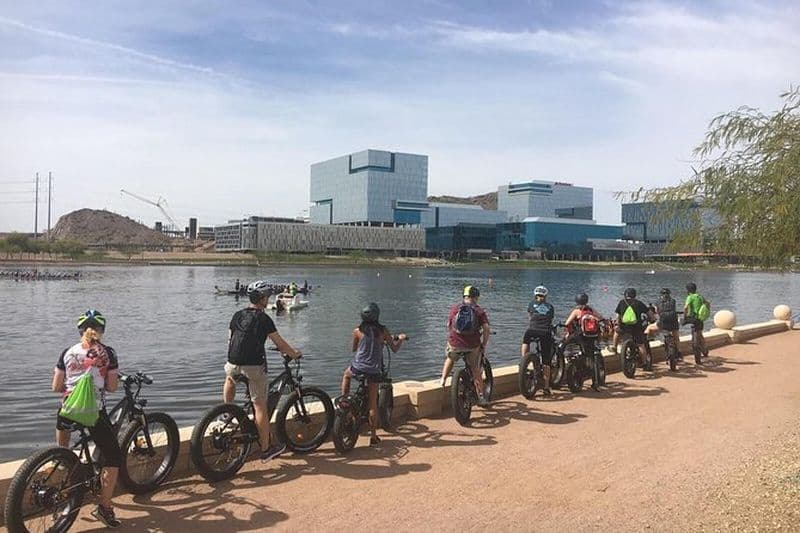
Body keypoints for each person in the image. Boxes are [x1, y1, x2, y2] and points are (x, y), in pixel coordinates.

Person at [52, 310, 123, 528]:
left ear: (80, 330)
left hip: (67, 410)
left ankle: (61, 458)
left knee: (63, 423)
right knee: (113, 457)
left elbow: (56, 387)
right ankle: (104, 507)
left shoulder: (67, 352)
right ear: (101, 331)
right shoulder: (107, 353)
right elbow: (111, 388)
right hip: (94, 413)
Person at [225, 280, 302, 461]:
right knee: (260, 406)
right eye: (266, 296)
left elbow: (230, 339)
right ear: (261, 299)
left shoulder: (237, 315)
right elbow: (280, 343)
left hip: (232, 361)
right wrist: (294, 353)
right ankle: (266, 450)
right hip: (253, 365)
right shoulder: (264, 318)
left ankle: (227, 412)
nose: (268, 299)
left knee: (230, 378)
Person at [340, 303, 406, 447]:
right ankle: (374, 436)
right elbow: (394, 348)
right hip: (373, 371)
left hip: (357, 368)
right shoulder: (382, 331)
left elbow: (353, 349)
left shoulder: (357, 331)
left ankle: (344, 399)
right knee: (372, 405)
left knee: (346, 375)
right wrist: (400, 339)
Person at [440, 286, 491, 407]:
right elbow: (486, 329)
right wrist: (483, 344)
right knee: (475, 368)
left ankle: (442, 380)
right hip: (472, 345)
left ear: (464, 296)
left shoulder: (455, 308)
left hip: (455, 343)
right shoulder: (479, 311)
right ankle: (481, 397)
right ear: (476, 297)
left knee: (450, 358)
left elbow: (449, 325)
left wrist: (453, 339)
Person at [521, 285, 555, 396]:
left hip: (532, 330)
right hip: (545, 332)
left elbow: (530, 318)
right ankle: (546, 387)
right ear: (546, 296)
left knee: (526, 341)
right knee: (546, 361)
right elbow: (549, 320)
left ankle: (523, 361)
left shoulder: (531, 304)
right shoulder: (550, 307)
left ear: (535, 295)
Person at [613, 288, 654, 363]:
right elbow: (649, 313)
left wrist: (617, 324)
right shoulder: (639, 303)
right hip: (636, 327)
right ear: (635, 295)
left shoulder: (621, 302)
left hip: (624, 327)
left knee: (616, 331)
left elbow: (617, 316)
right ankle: (644, 362)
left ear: (625, 295)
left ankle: (614, 347)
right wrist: (653, 320)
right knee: (641, 345)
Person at [563, 293, 605, 359]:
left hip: (581, 335)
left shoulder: (576, 311)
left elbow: (567, 323)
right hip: (594, 334)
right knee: (592, 346)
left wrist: (567, 333)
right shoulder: (591, 309)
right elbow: (601, 318)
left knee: (564, 343)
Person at [645, 288, 682, 361]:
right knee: (676, 337)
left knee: (649, 328)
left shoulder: (657, 302)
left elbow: (656, 311)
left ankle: (649, 341)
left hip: (663, 323)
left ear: (661, 295)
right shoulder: (673, 301)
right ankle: (679, 352)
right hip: (673, 322)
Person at [684, 282, 710, 357]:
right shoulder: (700, 296)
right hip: (700, 319)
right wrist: (706, 312)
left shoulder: (690, 297)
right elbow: (707, 304)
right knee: (699, 333)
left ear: (688, 290)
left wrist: (685, 316)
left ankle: (699, 349)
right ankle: (705, 350)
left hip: (693, 318)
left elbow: (685, 307)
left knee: (695, 333)